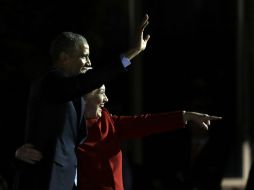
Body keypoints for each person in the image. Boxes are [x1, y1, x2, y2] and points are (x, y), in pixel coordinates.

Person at [13, 14, 151, 190]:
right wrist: (132, 52)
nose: (89, 62)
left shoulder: (75, 95)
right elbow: (90, 80)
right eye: (84, 56)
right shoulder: (50, 83)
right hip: (45, 181)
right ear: (64, 58)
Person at [16, 84, 222, 190]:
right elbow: (43, 156)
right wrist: (18, 152)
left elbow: (147, 122)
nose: (106, 98)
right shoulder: (67, 130)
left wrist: (185, 115)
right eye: (102, 93)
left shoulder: (111, 123)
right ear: (84, 98)